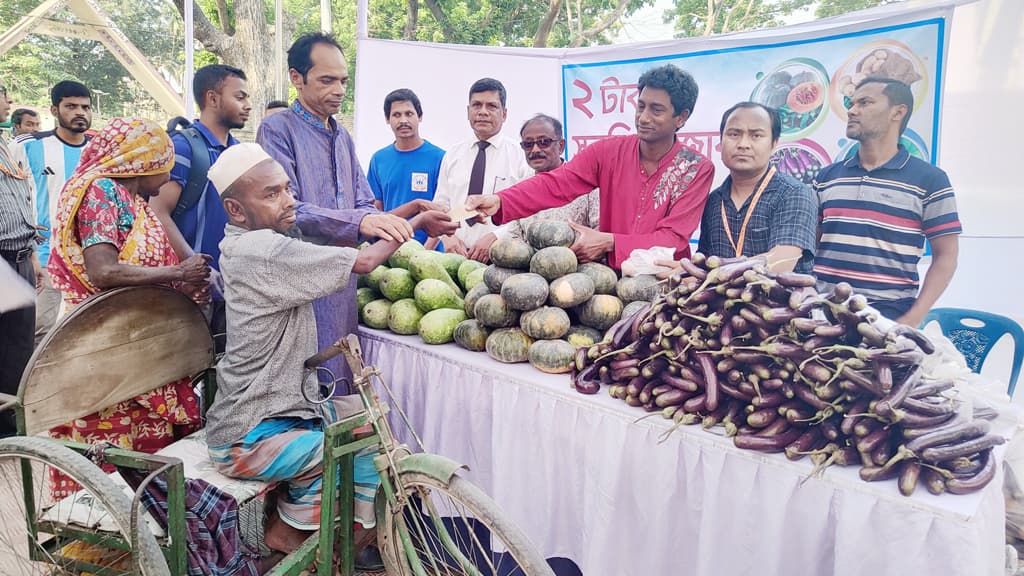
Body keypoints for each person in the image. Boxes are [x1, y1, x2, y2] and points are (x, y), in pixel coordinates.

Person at [205, 143, 453, 568]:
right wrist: (413, 223)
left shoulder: (266, 237)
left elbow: (333, 228)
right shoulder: (262, 250)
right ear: (236, 210)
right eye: (271, 194)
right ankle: (292, 537)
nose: (287, 202)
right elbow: (365, 261)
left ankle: (308, 535)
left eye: (287, 189)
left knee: (369, 423)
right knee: (357, 456)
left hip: (285, 408)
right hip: (248, 433)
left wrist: (409, 211)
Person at [46, 117, 211, 501]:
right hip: (105, 345)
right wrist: (178, 271)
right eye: (167, 161)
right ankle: (105, 544)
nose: (170, 173)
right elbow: (102, 270)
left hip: (136, 341)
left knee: (141, 450)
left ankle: (142, 540)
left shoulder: (130, 201)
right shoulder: (101, 192)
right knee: (110, 451)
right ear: (145, 160)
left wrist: (182, 280)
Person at [257, 33, 425, 385]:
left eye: (343, 81)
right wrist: (363, 221)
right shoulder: (277, 129)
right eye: (327, 80)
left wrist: (379, 220)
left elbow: (364, 202)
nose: (338, 89)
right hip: (301, 279)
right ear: (296, 78)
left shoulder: (342, 135)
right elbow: (288, 212)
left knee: (343, 370)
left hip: (344, 280)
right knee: (308, 379)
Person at [466, 64, 714, 269]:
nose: (644, 117)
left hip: (666, 283)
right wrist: (499, 201)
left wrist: (609, 242)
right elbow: (557, 183)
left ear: (681, 117)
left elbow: (672, 238)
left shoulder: (696, 169)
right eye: (641, 106)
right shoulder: (607, 151)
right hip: (609, 281)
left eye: (656, 110)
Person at [814, 78, 961, 325]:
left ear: (898, 111)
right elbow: (814, 243)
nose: (851, 110)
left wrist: (915, 316)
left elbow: (946, 257)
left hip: (888, 317)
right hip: (823, 313)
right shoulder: (827, 177)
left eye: (865, 102)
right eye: (851, 103)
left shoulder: (930, 180)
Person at [150, 64, 251, 351]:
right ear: (212, 98)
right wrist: (198, 269)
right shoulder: (182, 147)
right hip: (192, 292)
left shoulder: (238, 151)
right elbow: (158, 213)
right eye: (240, 97)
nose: (248, 106)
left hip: (231, 290)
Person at [690, 102, 816, 274]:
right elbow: (704, 259)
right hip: (721, 300)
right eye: (734, 134)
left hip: (778, 300)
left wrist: (716, 271)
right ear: (721, 142)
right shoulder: (713, 200)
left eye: (756, 136)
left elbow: (781, 263)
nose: (743, 144)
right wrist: (684, 270)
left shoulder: (794, 193)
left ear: (774, 144)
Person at [20, 80, 93, 346]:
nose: (80, 112)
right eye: (71, 106)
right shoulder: (30, 146)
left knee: (85, 331)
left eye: (85, 107)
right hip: (44, 256)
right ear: (54, 109)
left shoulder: (99, 150)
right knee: (39, 330)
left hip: (90, 257)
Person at [433, 77, 533, 263]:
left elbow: (527, 211)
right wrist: (447, 236)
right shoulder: (453, 154)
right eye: (476, 105)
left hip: (504, 257)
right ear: (468, 111)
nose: (483, 112)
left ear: (504, 114)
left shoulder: (520, 156)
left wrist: (496, 237)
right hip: (454, 257)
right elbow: (440, 204)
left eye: (491, 106)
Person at [0, 84, 43, 438]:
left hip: (18, 259)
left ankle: (12, 432)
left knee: (18, 350)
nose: (9, 101)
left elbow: (21, 202)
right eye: (3, 94)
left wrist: (31, 256)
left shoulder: (7, 146)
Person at [367, 88, 447, 246]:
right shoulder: (379, 159)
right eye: (396, 115)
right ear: (387, 119)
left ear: (420, 117)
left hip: (430, 254)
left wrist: (425, 254)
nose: (403, 120)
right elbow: (376, 211)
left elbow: (446, 210)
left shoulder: (440, 158)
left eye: (409, 114)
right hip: (390, 250)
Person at [505, 113, 599, 242]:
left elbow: (600, 236)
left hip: (578, 260)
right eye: (528, 144)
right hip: (529, 262)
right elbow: (514, 237)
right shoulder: (520, 188)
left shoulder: (587, 185)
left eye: (544, 142)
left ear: (561, 146)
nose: (535, 150)